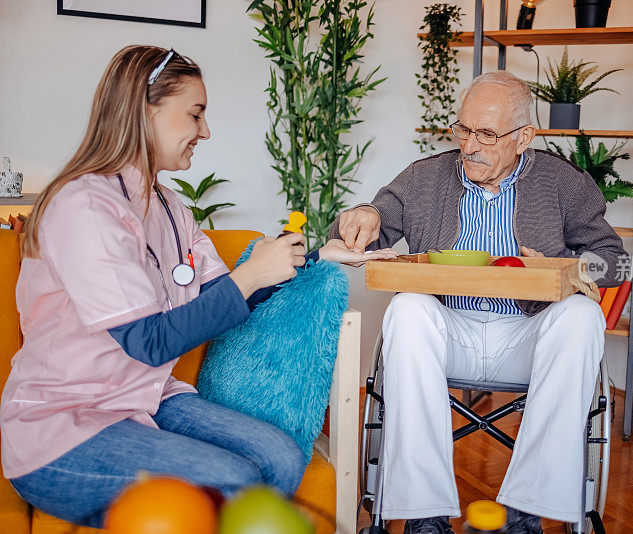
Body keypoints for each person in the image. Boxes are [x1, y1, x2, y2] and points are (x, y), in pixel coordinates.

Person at [0, 45, 396, 528]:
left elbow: (224, 297)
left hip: (146, 398)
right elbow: (150, 341)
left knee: (283, 457)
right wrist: (249, 273)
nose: (205, 131)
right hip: (66, 425)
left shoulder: (170, 206)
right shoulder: (82, 206)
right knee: (233, 479)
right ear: (146, 110)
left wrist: (318, 257)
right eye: (195, 113)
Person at [330, 71, 627, 534]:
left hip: (530, 336)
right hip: (447, 329)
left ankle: (525, 513)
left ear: (524, 137)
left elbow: (612, 260)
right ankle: (423, 515)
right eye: (463, 129)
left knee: (583, 314)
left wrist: (560, 269)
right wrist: (362, 216)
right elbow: (362, 233)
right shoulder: (426, 177)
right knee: (407, 308)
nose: (469, 145)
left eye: (486, 134)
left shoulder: (564, 182)